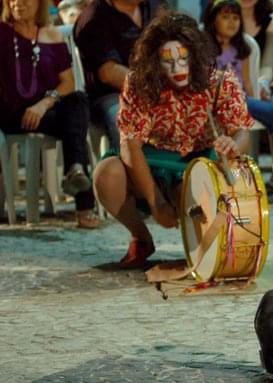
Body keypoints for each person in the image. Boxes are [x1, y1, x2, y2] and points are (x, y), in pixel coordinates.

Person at [92, 13, 254, 268]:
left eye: (183, 59)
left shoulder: (220, 82)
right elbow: (130, 145)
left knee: (193, 200)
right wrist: (156, 202)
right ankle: (141, 238)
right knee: (106, 175)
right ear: (154, 61)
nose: (177, 69)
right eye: (168, 62)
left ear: (195, 55)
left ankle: (204, 251)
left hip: (197, 160)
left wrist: (233, 145)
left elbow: (242, 132)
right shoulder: (139, 83)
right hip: (149, 158)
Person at [0, 0, 98, 228]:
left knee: (78, 99)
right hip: (11, 112)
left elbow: (68, 82)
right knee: (75, 126)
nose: (18, 3)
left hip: (45, 111)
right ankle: (83, 201)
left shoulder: (51, 35)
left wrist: (43, 104)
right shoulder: (3, 33)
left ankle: (75, 170)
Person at [203, 0, 273, 196]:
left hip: (241, 100)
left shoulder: (242, 49)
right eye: (225, 17)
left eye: (235, 18)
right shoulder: (205, 48)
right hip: (218, 101)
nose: (231, 22)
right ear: (213, 20)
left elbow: (247, 83)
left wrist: (259, 100)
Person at [74, 0, 166, 152]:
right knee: (126, 120)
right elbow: (109, 73)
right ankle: (132, 167)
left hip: (161, 88)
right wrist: (155, 89)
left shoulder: (155, 5)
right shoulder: (94, 19)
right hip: (113, 95)